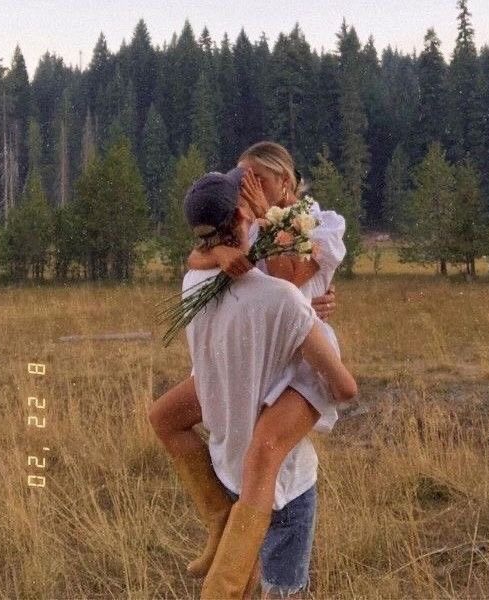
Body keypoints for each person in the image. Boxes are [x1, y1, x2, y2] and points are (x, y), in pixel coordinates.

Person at [148, 143, 348, 598]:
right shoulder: (243, 220)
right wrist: (218, 255)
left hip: (295, 348)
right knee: (166, 416)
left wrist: (267, 219)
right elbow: (198, 256)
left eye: (256, 179)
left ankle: (229, 582)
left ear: (284, 182)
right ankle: (221, 523)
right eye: (241, 179)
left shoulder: (318, 221)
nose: (245, 188)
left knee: (263, 455)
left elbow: (287, 282)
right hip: (254, 343)